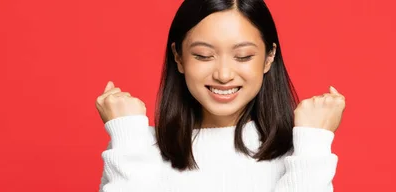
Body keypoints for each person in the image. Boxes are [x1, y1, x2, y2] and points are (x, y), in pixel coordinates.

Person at [95, 0, 346, 191]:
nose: (224, 75)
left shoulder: (302, 149)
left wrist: (313, 143)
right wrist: (126, 134)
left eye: (243, 56)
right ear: (179, 57)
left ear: (269, 57)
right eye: (203, 55)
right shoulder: (136, 147)